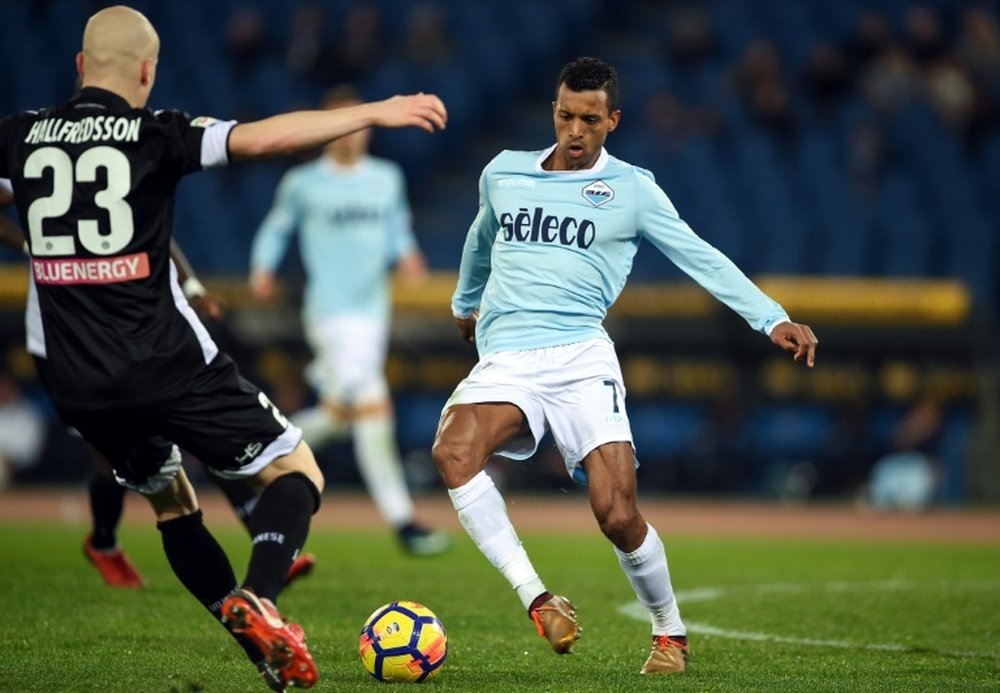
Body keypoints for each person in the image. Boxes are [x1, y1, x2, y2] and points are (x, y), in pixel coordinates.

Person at [0, 5, 446, 691]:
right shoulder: (156, 132)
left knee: (174, 501)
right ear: (147, 72)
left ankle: (262, 649)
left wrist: (28, 238)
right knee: (297, 469)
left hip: (78, 380)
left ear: (81, 67)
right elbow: (265, 138)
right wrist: (374, 110)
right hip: (167, 361)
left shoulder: (21, 136)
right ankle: (261, 593)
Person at [432, 57, 817, 675]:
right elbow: (480, 243)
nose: (575, 131)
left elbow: (701, 256)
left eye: (590, 119)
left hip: (582, 355)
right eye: (565, 116)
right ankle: (538, 599)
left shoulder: (633, 189)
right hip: (507, 356)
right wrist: (463, 303)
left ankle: (671, 636)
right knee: (453, 453)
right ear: (553, 113)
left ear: (612, 120)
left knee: (615, 512)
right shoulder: (504, 173)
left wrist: (771, 317)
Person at [1, 179, 317, 590]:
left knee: (210, 443)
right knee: (118, 463)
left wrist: (191, 285)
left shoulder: (118, 152)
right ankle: (103, 541)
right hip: (67, 343)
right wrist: (28, 245)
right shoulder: (36, 148)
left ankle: (266, 545)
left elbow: (153, 229)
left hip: (139, 337)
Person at [249, 85, 449, 557]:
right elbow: (278, 227)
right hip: (329, 314)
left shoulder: (385, 177)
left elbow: (396, 226)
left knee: (340, 417)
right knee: (375, 408)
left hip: (371, 313)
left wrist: (409, 257)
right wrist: (262, 267)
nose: (350, 135)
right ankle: (403, 520)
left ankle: (251, 454)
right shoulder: (304, 183)